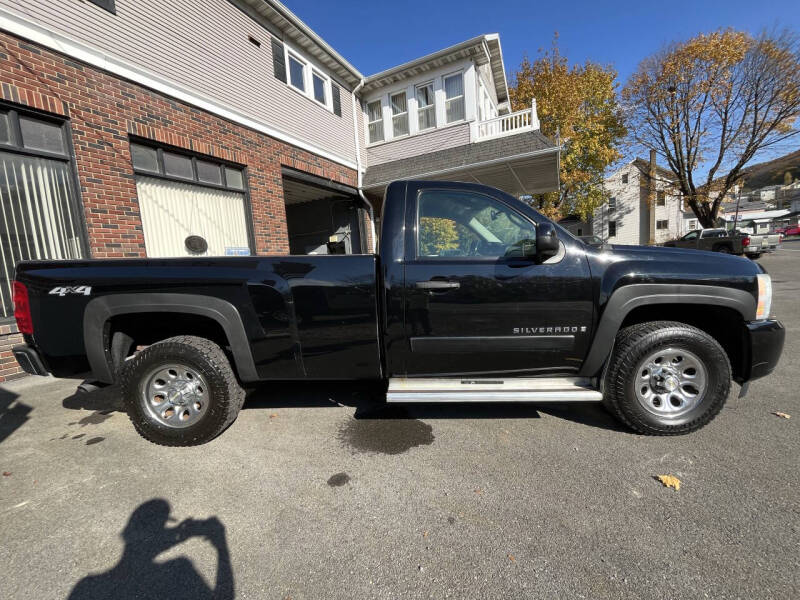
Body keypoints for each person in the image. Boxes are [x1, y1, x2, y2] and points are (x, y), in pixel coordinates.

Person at [69, 499, 233, 600]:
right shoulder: (182, 566)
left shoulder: (86, 586)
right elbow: (224, 596)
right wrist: (221, 546)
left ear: (126, 533)